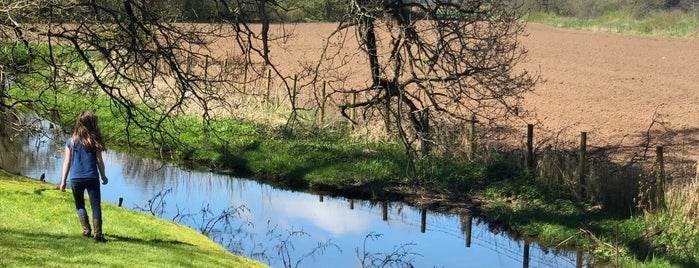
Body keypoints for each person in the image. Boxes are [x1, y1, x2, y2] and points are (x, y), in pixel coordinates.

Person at [59, 111, 109, 242]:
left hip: (75, 178)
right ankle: (98, 235)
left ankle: (86, 230)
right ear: (92, 124)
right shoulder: (94, 141)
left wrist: (63, 180)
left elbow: (67, 162)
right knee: (95, 206)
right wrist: (103, 176)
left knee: (79, 204)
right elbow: (99, 161)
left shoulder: (71, 141)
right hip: (92, 176)